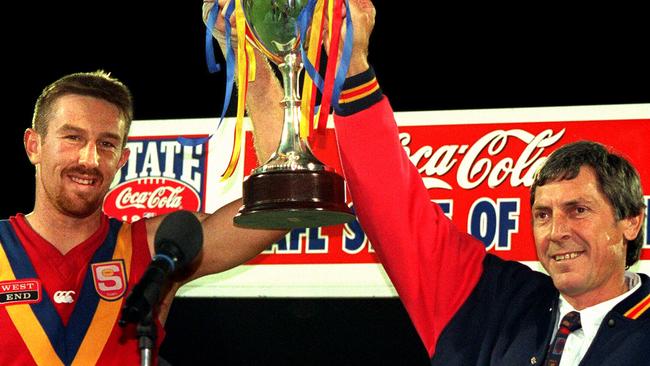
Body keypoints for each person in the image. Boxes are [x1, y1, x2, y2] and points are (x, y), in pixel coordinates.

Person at [221, 0, 649, 364]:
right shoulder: (496, 301)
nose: (557, 232)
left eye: (578, 210)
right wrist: (352, 68)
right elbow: (394, 212)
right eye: (542, 214)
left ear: (630, 221)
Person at [0, 67, 287, 365]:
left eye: (107, 144)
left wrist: (249, 58)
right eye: (73, 137)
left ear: (122, 159)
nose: (90, 159)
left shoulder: (156, 247)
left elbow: (284, 198)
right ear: (34, 146)